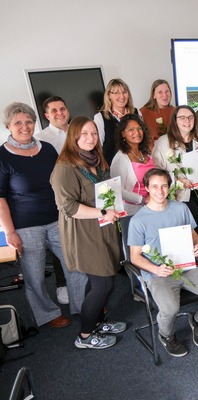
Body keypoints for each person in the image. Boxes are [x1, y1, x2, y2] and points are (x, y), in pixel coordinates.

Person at [0, 102, 86, 328]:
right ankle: (48, 314)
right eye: (18, 122)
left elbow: (62, 180)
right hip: (26, 226)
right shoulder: (2, 156)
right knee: (35, 276)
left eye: (29, 121)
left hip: (58, 219)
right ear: (8, 125)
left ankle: (83, 304)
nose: (25, 126)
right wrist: (10, 232)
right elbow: (0, 199)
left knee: (75, 265)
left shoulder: (47, 148)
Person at [128, 168, 198, 357]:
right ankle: (166, 335)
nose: (160, 191)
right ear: (147, 189)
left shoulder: (180, 208)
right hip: (159, 274)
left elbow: (193, 234)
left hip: (186, 266)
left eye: (164, 186)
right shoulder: (138, 221)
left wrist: (197, 246)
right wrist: (156, 269)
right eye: (155, 186)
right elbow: (135, 257)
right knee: (170, 308)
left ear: (169, 187)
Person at [51, 116, 126, 349]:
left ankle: (98, 323)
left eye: (93, 133)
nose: (90, 138)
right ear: (73, 136)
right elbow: (69, 208)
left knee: (108, 280)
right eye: (84, 133)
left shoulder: (98, 160)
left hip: (103, 227)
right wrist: (103, 211)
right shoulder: (65, 167)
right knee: (102, 284)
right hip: (84, 232)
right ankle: (84, 336)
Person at [152, 105, 198, 244]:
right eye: (182, 117)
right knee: (191, 211)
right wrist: (177, 180)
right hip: (179, 191)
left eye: (190, 117)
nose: (187, 121)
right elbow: (156, 172)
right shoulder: (164, 142)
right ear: (175, 120)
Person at [35, 95, 71, 304]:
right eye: (54, 111)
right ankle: (62, 284)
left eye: (62, 108)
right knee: (62, 242)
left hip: (82, 193)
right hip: (58, 197)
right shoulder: (42, 138)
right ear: (47, 115)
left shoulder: (76, 131)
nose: (60, 113)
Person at [110, 114, 155, 215]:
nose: (136, 132)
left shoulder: (146, 152)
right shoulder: (120, 158)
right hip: (132, 212)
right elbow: (117, 189)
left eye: (139, 128)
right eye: (131, 129)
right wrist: (142, 199)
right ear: (123, 134)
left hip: (153, 206)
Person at [94, 78, 140, 165]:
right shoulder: (100, 118)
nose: (122, 96)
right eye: (116, 93)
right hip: (113, 166)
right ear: (109, 96)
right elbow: (98, 148)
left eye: (124, 92)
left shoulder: (136, 113)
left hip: (137, 164)